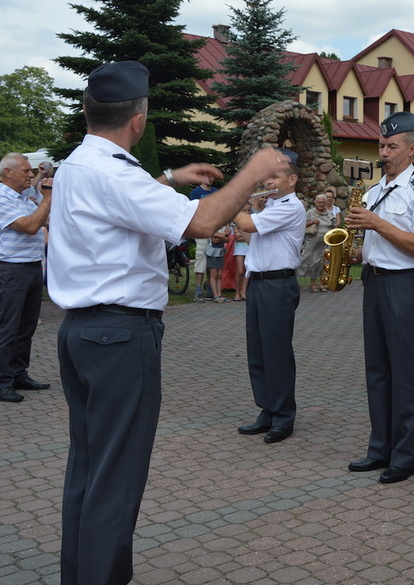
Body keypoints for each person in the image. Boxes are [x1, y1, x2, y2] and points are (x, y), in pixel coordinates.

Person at [47, 60, 283, 585]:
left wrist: (171, 178)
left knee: (89, 470)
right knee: (117, 478)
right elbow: (200, 222)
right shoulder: (113, 173)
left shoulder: (78, 165)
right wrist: (256, 170)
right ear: (137, 121)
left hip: (82, 332)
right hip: (119, 335)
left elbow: (120, 203)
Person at [346, 111, 414, 484]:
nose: (384, 152)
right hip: (375, 282)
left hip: (405, 285)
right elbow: (371, 244)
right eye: (381, 145)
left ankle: (405, 456)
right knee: (378, 371)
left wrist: (376, 224)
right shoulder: (372, 191)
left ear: (413, 149)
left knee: (404, 373)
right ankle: (379, 448)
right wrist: (350, 252)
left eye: (391, 146)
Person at [234, 148, 306, 444]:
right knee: (259, 352)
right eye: (268, 176)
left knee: (276, 352)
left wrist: (235, 200)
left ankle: (283, 415)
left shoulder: (291, 206)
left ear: (292, 180)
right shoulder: (271, 207)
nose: (269, 181)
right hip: (259, 283)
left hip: (278, 285)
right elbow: (253, 235)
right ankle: (267, 409)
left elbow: (248, 226)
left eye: (275, 176)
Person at [0, 152, 53, 403]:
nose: (31, 175)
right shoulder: (1, 197)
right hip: (10, 270)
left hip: (31, 268)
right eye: (26, 171)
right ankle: (2, 381)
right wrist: (48, 198)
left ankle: (18, 374)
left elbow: (46, 221)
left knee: (26, 326)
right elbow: (31, 226)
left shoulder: (25, 198)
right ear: (7, 172)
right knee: (7, 328)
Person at [299, 193, 336, 292]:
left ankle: (322, 284)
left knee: (324, 262)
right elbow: (302, 225)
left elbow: (334, 227)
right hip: (312, 242)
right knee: (313, 262)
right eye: (319, 202)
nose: (321, 204)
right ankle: (313, 284)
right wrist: (312, 222)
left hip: (326, 242)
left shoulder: (330, 213)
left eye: (323, 202)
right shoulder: (310, 212)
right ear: (315, 202)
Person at [189, 175, 218, 301]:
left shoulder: (216, 192)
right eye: (208, 177)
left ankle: (211, 286)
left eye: (212, 177)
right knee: (201, 256)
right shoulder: (196, 193)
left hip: (214, 226)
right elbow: (193, 210)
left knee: (213, 257)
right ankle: (198, 289)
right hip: (201, 227)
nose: (210, 179)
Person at [231, 208, 251, 301]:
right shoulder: (236, 222)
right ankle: (237, 291)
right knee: (240, 271)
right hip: (239, 249)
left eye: (248, 210)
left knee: (247, 270)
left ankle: (243, 292)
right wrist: (247, 236)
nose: (247, 212)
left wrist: (242, 235)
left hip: (248, 249)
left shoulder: (251, 221)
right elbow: (237, 237)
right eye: (244, 210)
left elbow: (251, 236)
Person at [205, 225, 229, 303]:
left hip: (220, 251)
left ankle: (219, 294)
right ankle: (215, 295)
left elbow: (227, 239)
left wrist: (219, 236)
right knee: (213, 274)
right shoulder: (213, 226)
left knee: (219, 274)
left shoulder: (224, 227)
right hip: (212, 252)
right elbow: (214, 240)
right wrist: (223, 235)